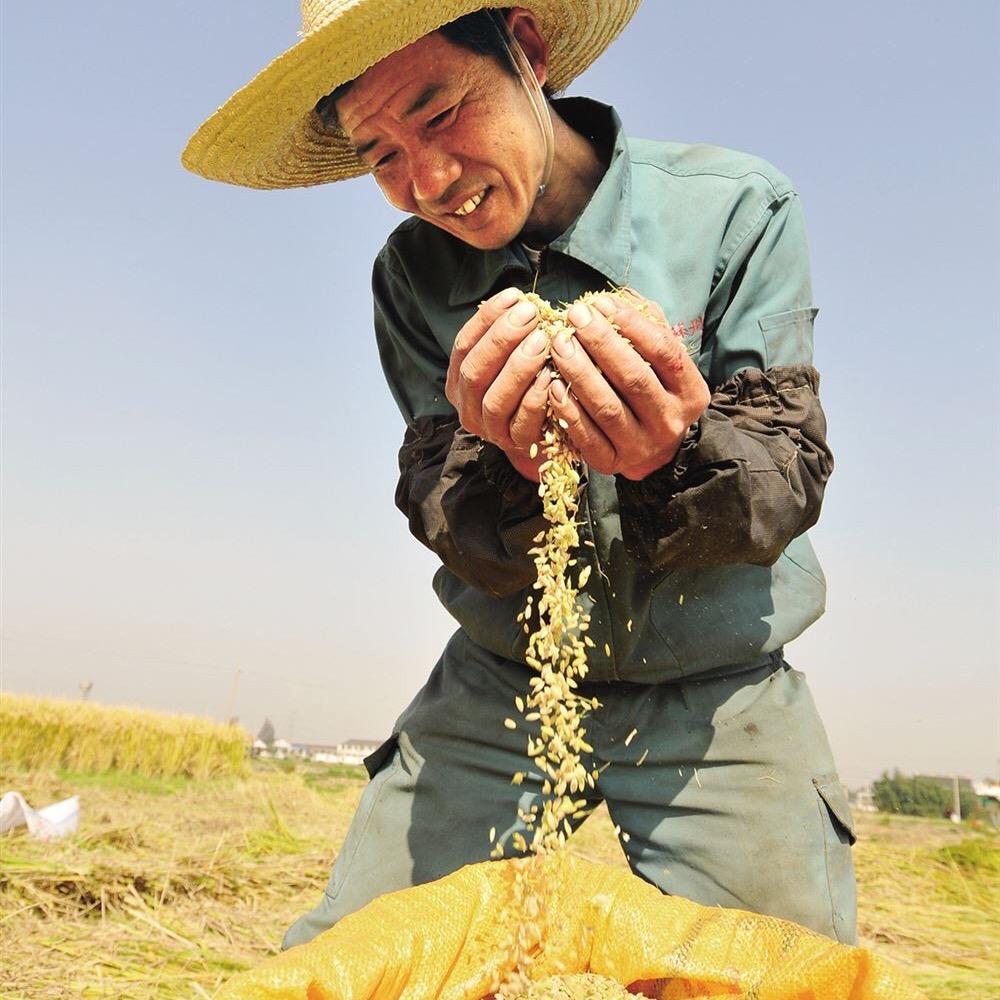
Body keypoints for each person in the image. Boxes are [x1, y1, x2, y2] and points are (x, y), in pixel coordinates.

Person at [184, 0, 857, 949]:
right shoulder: (411, 277)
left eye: (439, 112)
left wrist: (671, 454)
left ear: (528, 51)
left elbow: (784, 474)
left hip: (719, 689)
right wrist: (502, 468)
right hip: (508, 675)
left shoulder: (737, 209)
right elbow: (444, 509)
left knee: (777, 969)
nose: (428, 182)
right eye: (381, 157)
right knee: (356, 958)